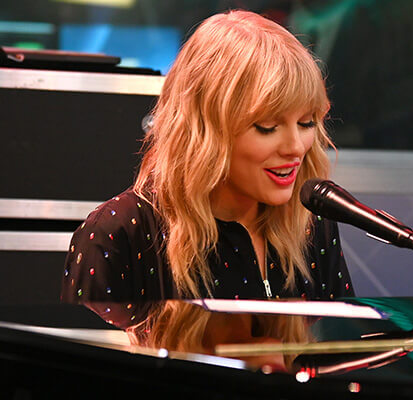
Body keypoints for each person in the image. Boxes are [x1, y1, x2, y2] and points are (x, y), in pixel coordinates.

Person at [61, 10, 354, 361]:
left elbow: (338, 354)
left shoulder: (313, 221)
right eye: (267, 126)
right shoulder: (117, 232)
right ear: (206, 130)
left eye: (306, 122)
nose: (295, 147)